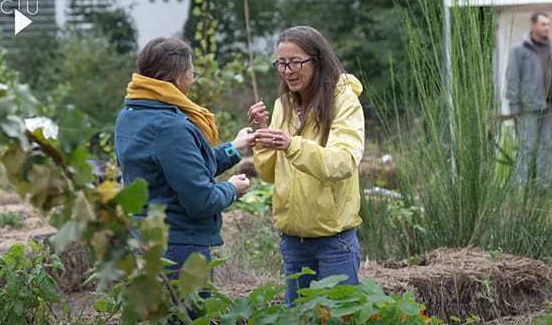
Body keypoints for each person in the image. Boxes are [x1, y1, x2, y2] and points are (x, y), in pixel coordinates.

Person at [114, 37, 254, 276]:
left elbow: (180, 168)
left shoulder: (130, 115)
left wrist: (234, 148)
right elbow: (201, 200)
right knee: (189, 314)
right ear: (178, 78)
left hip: (144, 244)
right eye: (193, 72)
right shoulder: (170, 127)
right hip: (179, 251)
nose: (192, 78)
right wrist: (231, 188)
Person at [247, 26, 365, 306]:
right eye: (282, 63)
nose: (288, 70)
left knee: (339, 317)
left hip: (334, 243)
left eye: (296, 62)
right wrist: (263, 135)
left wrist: (292, 145)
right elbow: (267, 174)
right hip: (293, 242)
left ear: (318, 61)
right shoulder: (283, 104)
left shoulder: (343, 101)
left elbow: (343, 161)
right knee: (296, 317)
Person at [506, 12, 552, 190]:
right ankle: (520, 187)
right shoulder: (519, 49)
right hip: (528, 105)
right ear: (533, 25)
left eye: (548, 24)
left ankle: (544, 186)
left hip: (549, 105)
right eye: (543, 24)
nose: (547, 28)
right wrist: (514, 106)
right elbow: (512, 78)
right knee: (526, 146)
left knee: (547, 146)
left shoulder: (551, 47)